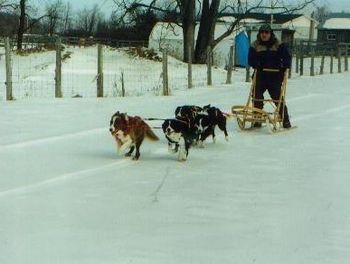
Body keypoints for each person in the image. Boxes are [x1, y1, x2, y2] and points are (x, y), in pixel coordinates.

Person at [248, 24, 292, 128]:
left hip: (275, 76)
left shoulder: (278, 44)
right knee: (256, 96)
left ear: (270, 34)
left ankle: (285, 119)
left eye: (266, 32)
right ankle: (257, 118)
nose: (264, 34)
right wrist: (256, 63)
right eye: (262, 32)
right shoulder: (255, 45)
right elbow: (250, 60)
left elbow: (287, 58)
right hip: (260, 75)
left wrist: (283, 66)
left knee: (277, 97)